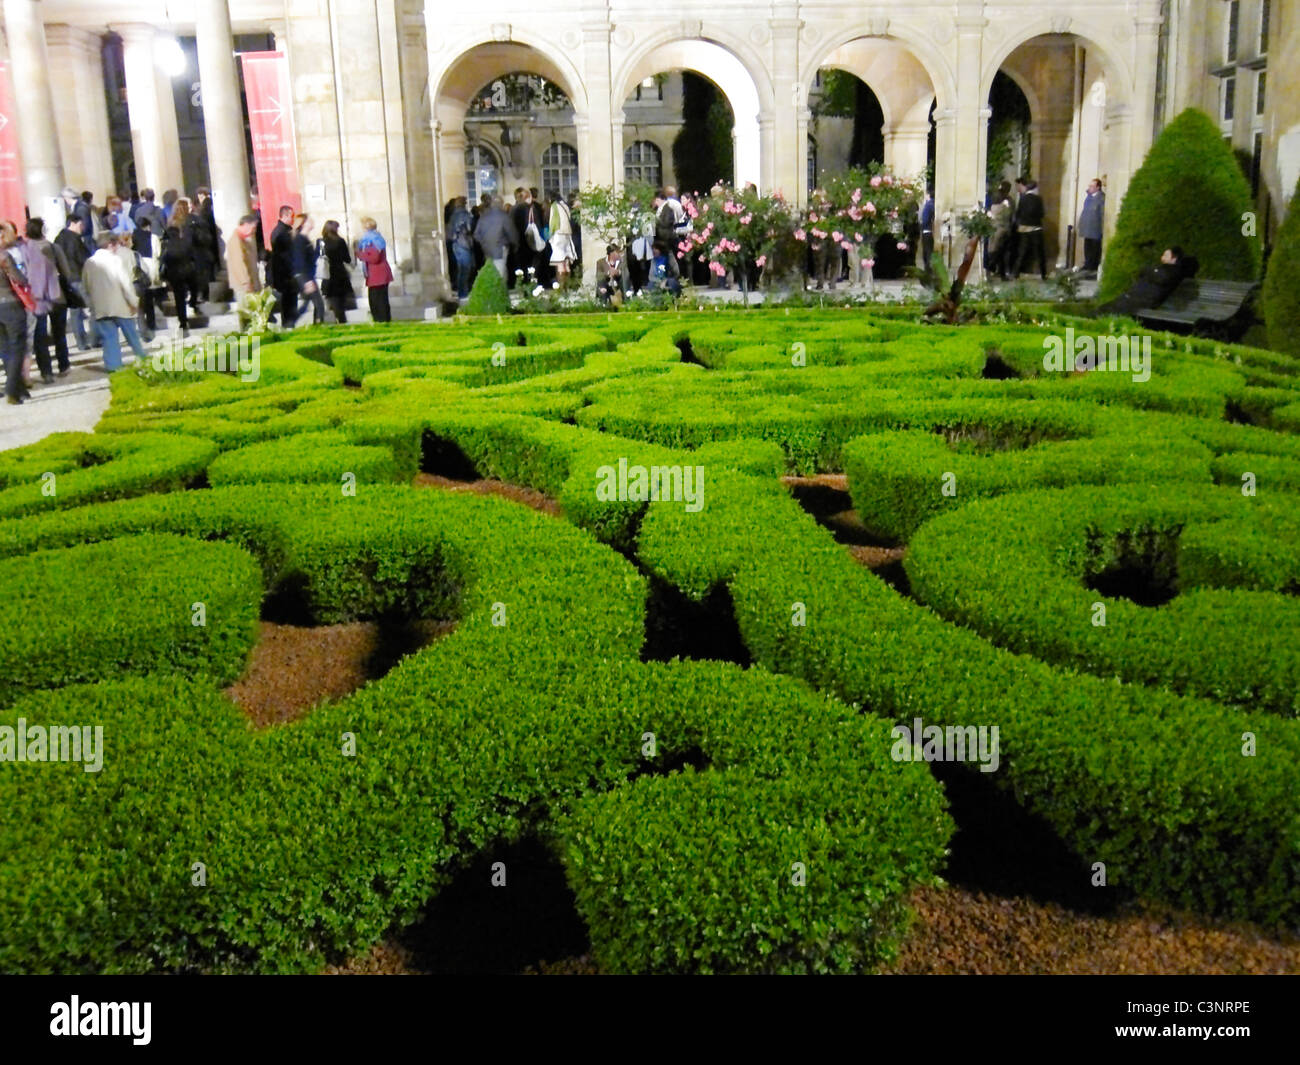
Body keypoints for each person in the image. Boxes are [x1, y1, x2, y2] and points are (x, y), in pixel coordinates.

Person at [83, 233, 147, 370]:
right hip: (120, 305)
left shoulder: (89, 262)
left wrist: (91, 303)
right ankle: (142, 359)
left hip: (101, 307)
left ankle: (113, 366)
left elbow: (86, 285)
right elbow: (125, 284)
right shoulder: (115, 260)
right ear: (111, 245)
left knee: (109, 338)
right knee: (132, 336)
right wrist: (134, 302)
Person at [1096, 246, 1199, 317]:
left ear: (1174, 259)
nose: (1162, 257)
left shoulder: (1173, 272)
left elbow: (1158, 277)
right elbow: (1144, 272)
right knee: (1106, 308)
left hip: (1143, 301)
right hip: (1134, 297)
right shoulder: (1163, 269)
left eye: (1165, 255)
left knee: (1111, 310)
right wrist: (1152, 271)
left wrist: (1151, 271)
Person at [0, 221, 29, 404]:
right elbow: (19, 279)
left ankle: (18, 388)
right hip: (10, 304)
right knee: (17, 346)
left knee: (5, 349)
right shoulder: (3, 257)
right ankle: (11, 389)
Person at [55, 215, 92, 350]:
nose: (82, 228)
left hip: (66, 279)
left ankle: (81, 342)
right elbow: (84, 258)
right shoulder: (75, 240)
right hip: (78, 276)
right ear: (73, 224)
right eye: (80, 225)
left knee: (75, 312)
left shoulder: (58, 239)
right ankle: (93, 338)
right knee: (92, 308)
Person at [159, 224, 196, 336]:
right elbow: (193, 256)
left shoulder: (166, 246)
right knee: (192, 289)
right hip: (188, 272)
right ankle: (193, 303)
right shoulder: (186, 242)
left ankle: (183, 322)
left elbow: (163, 260)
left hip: (174, 275)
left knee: (179, 299)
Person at [355, 217, 393, 323]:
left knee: (378, 300)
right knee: (376, 299)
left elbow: (374, 257)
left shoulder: (373, 240)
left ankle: (382, 320)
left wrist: (359, 254)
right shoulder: (370, 239)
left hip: (378, 274)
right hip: (376, 275)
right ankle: (380, 319)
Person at [132, 217, 163, 340]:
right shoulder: (153, 237)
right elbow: (158, 253)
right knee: (150, 297)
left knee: (141, 300)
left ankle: (142, 324)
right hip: (150, 266)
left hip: (138, 268)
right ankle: (151, 323)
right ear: (147, 226)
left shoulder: (133, 237)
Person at [291, 214, 325, 325]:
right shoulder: (299, 240)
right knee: (318, 303)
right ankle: (318, 326)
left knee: (308, 303)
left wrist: (318, 247)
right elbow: (299, 260)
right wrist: (307, 280)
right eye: (310, 221)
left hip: (307, 274)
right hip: (304, 275)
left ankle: (291, 323)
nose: (312, 222)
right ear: (304, 223)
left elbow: (311, 259)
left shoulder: (305, 239)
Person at [473, 196, 517, 282]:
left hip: (486, 249)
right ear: (501, 204)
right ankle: (500, 291)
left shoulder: (484, 216)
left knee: (491, 269)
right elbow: (511, 233)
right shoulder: (504, 216)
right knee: (501, 271)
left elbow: (476, 234)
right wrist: (515, 244)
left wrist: (483, 243)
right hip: (501, 247)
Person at [319, 219, 353, 323]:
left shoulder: (321, 242)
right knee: (340, 302)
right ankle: (341, 320)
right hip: (339, 273)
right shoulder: (340, 241)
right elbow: (347, 259)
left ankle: (336, 319)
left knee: (332, 300)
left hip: (327, 273)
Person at [1013, 177, 1047, 280]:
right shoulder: (1038, 199)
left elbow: (1018, 213)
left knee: (1021, 252)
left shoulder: (1023, 199)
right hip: (1036, 228)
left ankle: (1016, 273)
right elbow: (1042, 214)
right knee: (1039, 252)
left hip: (1024, 228)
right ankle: (1043, 273)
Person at [269, 204, 297, 327]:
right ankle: (288, 326)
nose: (293, 219)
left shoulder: (285, 231)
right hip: (285, 275)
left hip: (287, 275)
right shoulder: (280, 232)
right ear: (285, 216)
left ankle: (289, 325)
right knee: (288, 305)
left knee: (290, 305)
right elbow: (283, 256)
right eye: (292, 216)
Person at [225, 213, 263, 300]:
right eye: (253, 228)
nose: (254, 231)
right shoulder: (236, 241)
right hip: (244, 286)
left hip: (249, 284)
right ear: (245, 225)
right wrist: (246, 282)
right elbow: (239, 263)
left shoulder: (243, 241)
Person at [447, 197, 475, 299]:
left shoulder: (452, 216)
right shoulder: (464, 214)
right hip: (463, 243)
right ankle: (463, 293)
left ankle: (461, 291)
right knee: (465, 268)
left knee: (460, 268)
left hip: (455, 244)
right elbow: (469, 228)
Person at [986, 181, 1014, 281]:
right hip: (1003, 230)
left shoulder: (993, 206)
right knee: (1000, 253)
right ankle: (995, 270)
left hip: (994, 229)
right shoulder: (1007, 203)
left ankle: (993, 270)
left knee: (994, 251)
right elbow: (1010, 216)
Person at [1077, 178, 1105, 275]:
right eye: (1089, 186)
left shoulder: (1101, 198)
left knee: (1095, 249)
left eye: (1092, 186)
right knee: (1087, 247)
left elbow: (1102, 214)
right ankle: (1087, 264)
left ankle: (1092, 266)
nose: (1090, 188)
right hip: (1087, 227)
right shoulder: (1088, 197)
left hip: (1095, 228)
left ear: (1098, 187)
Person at [548, 193, 577, 284]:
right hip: (567, 234)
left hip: (558, 234)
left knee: (560, 261)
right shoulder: (565, 205)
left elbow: (553, 221)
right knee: (566, 261)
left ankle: (562, 286)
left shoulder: (554, 206)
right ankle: (568, 284)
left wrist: (550, 235)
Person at [919, 189, 935, 275]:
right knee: (928, 252)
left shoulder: (928, 205)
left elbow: (925, 219)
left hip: (926, 231)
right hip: (930, 231)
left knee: (927, 252)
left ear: (928, 195)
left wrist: (920, 224)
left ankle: (928, 271)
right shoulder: (932, 204)